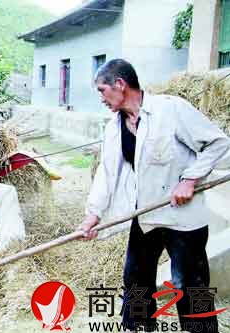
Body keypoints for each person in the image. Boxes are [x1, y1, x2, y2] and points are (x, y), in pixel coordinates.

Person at [78, 59, 230, 332]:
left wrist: (190, 178)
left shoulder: (170, 109)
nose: (101, 98)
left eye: (102, 90)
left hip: (183, 217)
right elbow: (107, 173)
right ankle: (137, 328)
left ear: (120, 84)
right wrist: (93, 215)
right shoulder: (114, 128)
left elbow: (217, 143)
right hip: (146, 214)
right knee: (135, 280)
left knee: (190, 285)